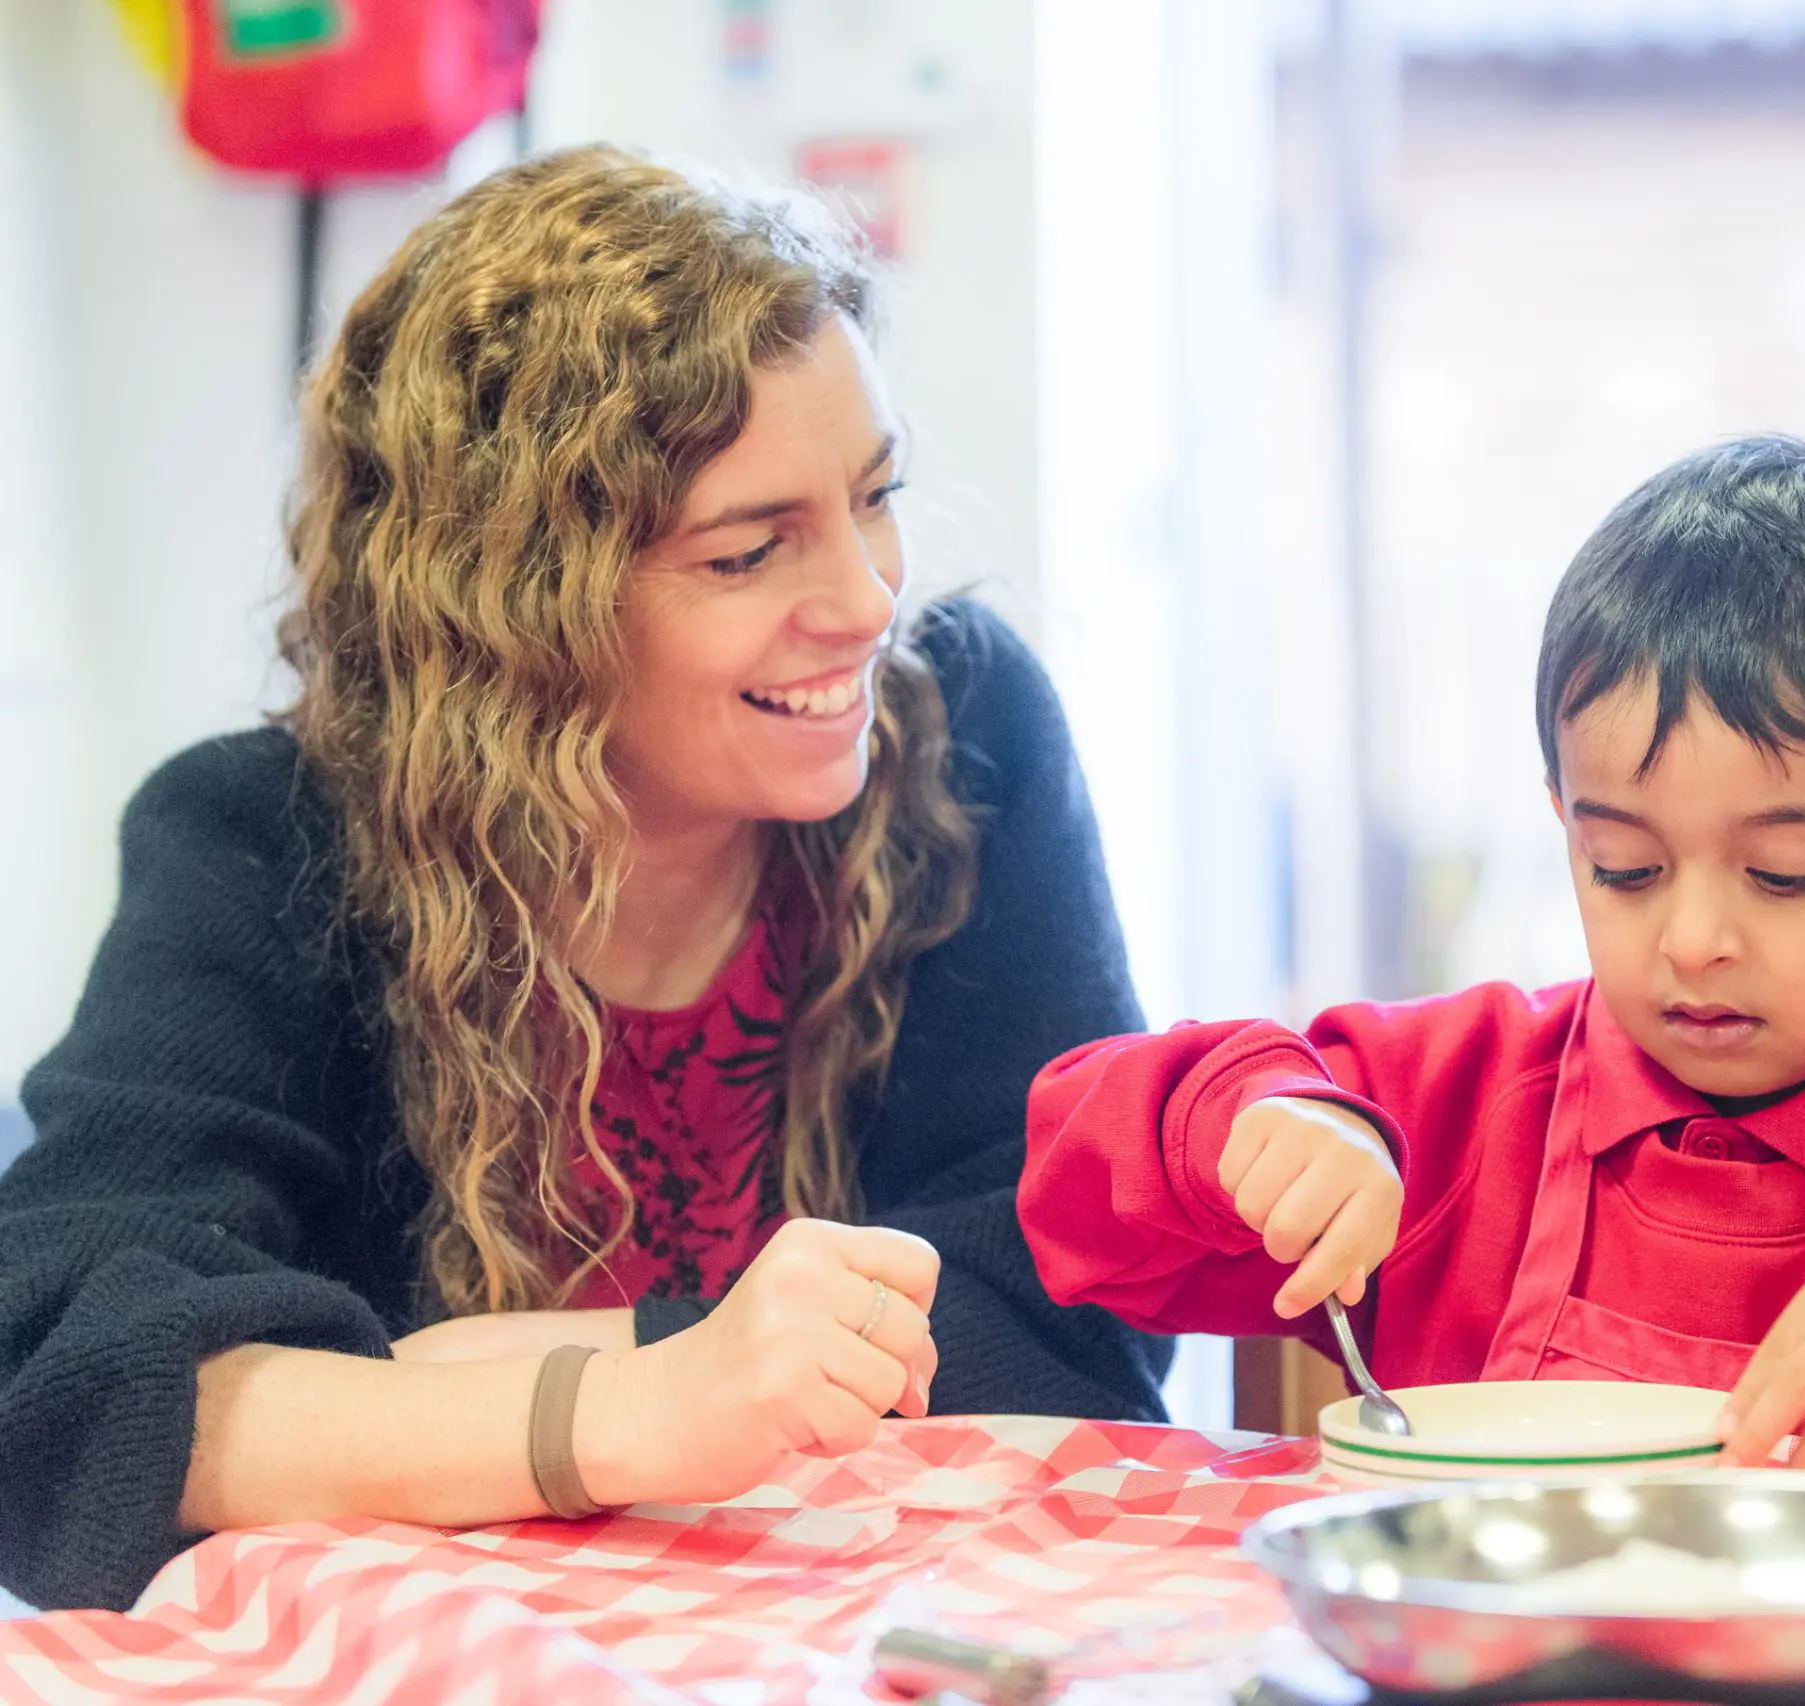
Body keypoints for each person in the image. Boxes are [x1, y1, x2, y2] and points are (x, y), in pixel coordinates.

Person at [0, 147, 1167, 1613]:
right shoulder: (262, 838)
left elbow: (1084, 1320)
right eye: (750, 552)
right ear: (519, 611)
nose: (869, 601)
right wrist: (636, 1404)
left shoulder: (967, 739)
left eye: (875, 494)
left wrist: (429, 1388)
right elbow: (63, 1384)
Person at [1023, 436, 1805, 1507]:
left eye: (1786, 874)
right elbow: (1067, 1187)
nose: (1693, 936)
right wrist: (1251, 1117)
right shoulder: (1468, 1105)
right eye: (1628, 869)